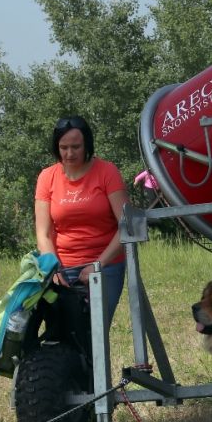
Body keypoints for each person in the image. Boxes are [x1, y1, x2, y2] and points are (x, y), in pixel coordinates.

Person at [33, 116, 129, 376]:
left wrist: (98, 265)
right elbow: (43, 232)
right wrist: (53, 267)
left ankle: (98, 394)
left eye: (75, 147)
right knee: (61, 332)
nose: (69, 153)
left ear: (87, 145)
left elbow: (126, 226)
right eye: (64, 147)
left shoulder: (106, 171)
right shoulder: (47, 177)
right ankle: (65, 388)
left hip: (105, 263)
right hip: (62, 266)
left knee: (93, 334)